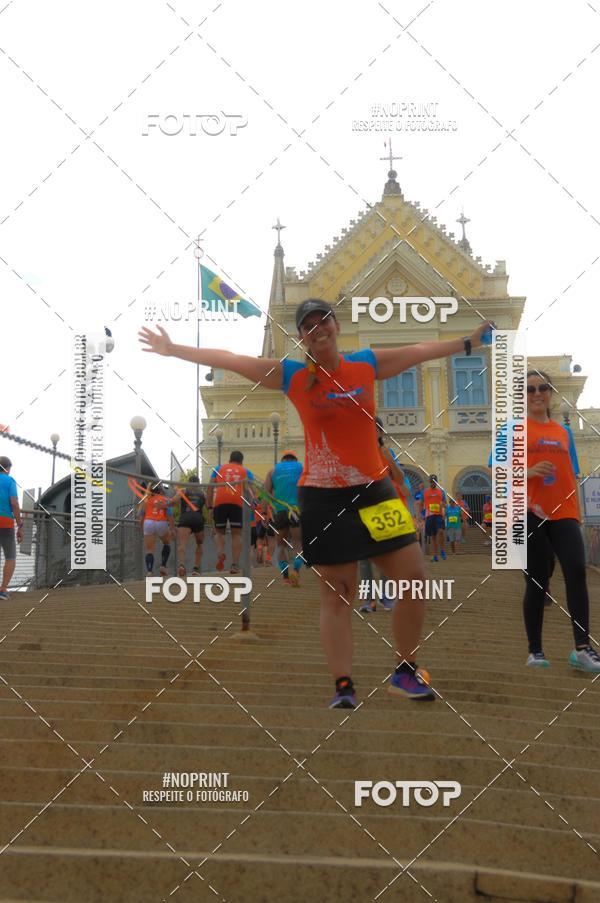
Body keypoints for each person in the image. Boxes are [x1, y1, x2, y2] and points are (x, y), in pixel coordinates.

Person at [139, 303, 493, 707]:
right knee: (338, 592)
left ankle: (405, 671)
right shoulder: (294, 376)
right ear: (302, 337)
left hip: (374, 490)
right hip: (323, 497)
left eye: (322, 321)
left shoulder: (365, 364)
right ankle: (343, 685)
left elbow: (419, 351)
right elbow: (233, 360)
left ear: (336, 326)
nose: (316, 329)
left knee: (413, 576)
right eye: (307, 326)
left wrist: (469, 341)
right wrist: (174, 349)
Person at [524, 370, 600, 671]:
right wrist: (527, 473)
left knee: (576, 572)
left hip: (566, 511)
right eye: (530, 390)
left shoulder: (563, 432)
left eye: (543, 388)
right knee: (537, 582)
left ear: (551, 393)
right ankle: (536, 651)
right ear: (522, 396)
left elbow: (572, 474)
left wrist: (578, 513)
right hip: (530, 512)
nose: (537, 394)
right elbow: (497, 476)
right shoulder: (513, 430)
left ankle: (582, 648)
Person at [207, 451, 252, 575]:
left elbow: (210, 487)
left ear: (229, 459)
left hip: (220, 502)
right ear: (241, 461)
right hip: (236, 503)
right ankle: (235, 564)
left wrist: (209, 507)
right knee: (236, 535)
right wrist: (252, 505)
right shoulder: (244, 471)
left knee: (219, 532)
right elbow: (248, 490)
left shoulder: (218, 468)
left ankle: (220, 552)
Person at [264, 451, 303, 586]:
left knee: (281, 545)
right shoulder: (302, 468)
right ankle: (296, 570)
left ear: (283, 460)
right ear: (294, 459)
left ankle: (285, 577)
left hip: (279, 511)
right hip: (296, 510)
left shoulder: (273, 470)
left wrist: (264, 514)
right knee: (298, 544)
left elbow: (265, 493)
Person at [0, 457, 23, 600]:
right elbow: (14, 504)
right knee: (10, 557)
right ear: (7, 468)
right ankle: (2, 590)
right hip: (5, 522)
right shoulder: (10, 481)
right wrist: (20, 526)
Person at [176, 475, 206, 577]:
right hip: (198, 518)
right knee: (199, 544)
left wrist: (166, 503)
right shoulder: (203, 493)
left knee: (182, 544)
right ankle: (196, 569)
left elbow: (174, 501)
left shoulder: (183, 490)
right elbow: (211, 506)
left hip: (186, 517)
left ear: (188, 483)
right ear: (198, 484)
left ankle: (181, 565)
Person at [139, 483, 171, 577]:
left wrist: (142, 529)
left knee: (149, 549)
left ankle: (149, 571)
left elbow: (141, 518)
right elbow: (170, 515)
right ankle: (163, 566)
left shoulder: (146, 501)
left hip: (148, 522)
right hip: (161, 521)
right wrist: (172, 527)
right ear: (160, 492)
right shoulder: (165, 500)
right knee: (166, 542)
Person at [423, 475, 446, 562]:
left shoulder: (441, 492)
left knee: (440, 531)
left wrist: (443, 506)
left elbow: (445, 503)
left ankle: (442, 550)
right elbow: (421, 503)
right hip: (429, 516)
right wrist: (420, 515)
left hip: (438, 515)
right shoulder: (425, 492)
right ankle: (435, 555)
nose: (433, 482)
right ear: (429, 482)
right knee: (433, 537)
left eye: (434, 481)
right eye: (432, 481)